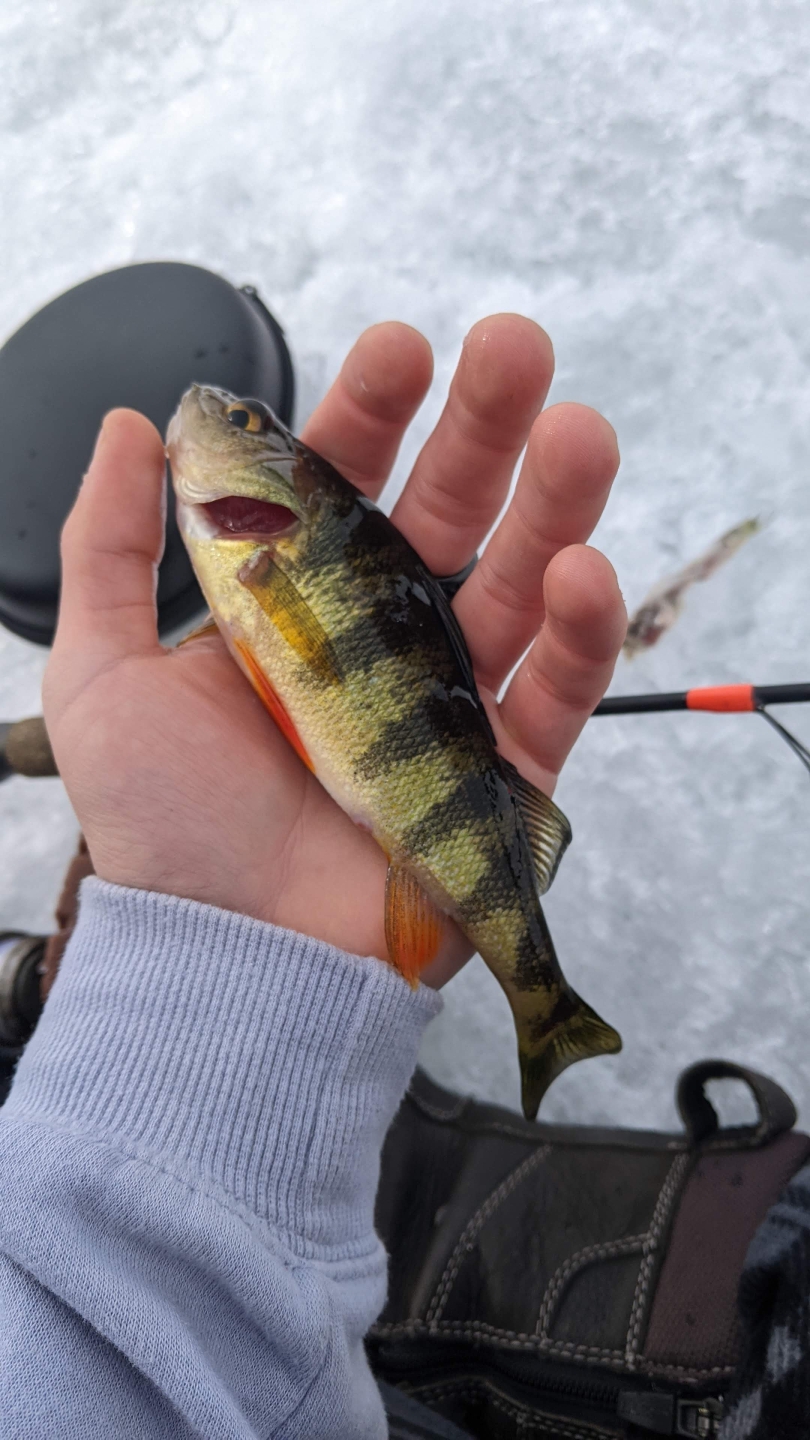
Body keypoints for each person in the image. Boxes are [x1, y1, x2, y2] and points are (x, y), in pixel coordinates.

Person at [0, 316, 797, 1438]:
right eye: (247, 422)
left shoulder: (268, 547)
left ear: (270, 478)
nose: (222, 420)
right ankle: (545, 1015)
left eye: (246, 424)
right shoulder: (256, 544)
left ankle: (545, 1008)